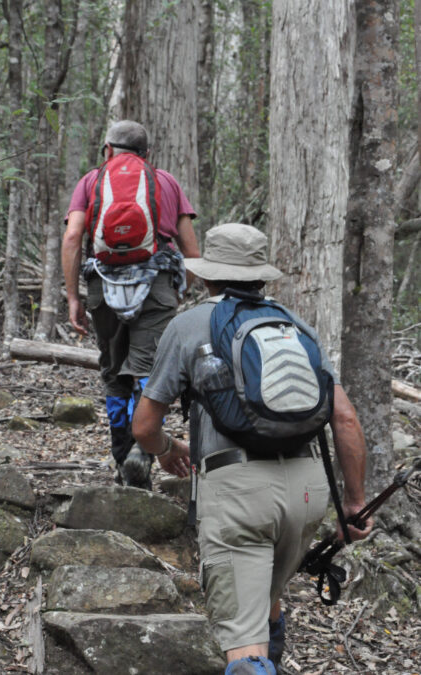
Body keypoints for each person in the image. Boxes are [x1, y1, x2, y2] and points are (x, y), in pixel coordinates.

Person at [132, 223, 373, 675]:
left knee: (244, 643)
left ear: (207, 275)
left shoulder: (188, 325)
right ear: (261, 275)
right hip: (307, 490)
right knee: (267, 597)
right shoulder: (294, 324)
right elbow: (345, 418)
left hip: (238, 491)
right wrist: (353, 503)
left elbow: (143, 426)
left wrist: (167, 448)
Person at [62, 120, 200, 489]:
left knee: (112, 372)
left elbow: (74, 235)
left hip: (102, 286)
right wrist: (178, 289)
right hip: (156, 286)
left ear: (108, 149)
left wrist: (74, 296)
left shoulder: (91, 181)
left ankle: (122, 455)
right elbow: (192, 251)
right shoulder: (166, 182)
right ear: (147, 154)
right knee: (148, 373)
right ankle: (144, 453)